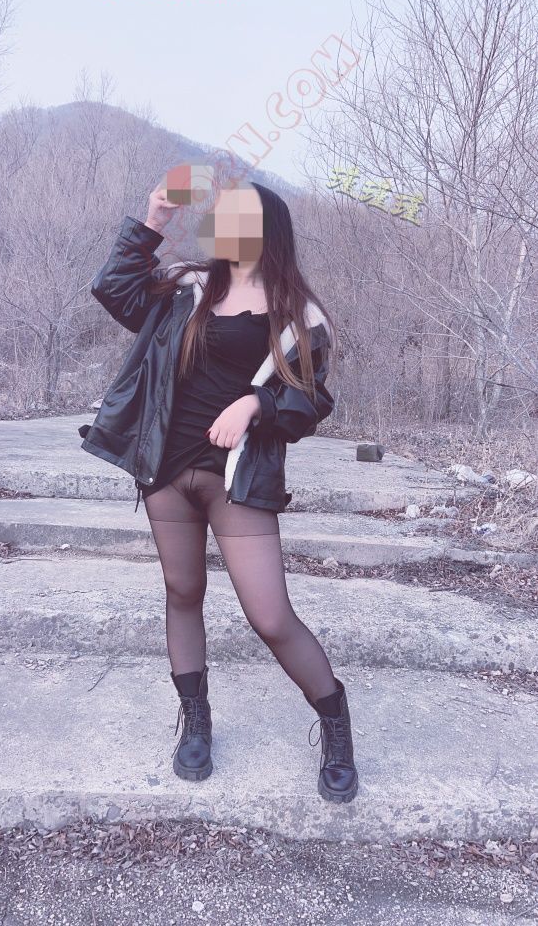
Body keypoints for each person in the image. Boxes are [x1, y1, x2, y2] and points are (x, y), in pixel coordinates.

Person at [82, 171, 359, 804]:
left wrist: (256, 404)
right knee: (182, 592)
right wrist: (152, 221)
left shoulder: (299, 313)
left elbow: (312, 400)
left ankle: (335, 723)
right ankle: (197, 721)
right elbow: (114, 291)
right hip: (166, 467)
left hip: (237, 477)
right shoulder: (188, 285)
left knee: (270, 615)